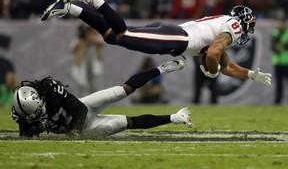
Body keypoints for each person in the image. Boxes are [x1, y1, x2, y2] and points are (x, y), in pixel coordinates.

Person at [40, 0, 272, 86]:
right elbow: (213, 54)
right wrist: (211, 72)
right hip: (178, 38)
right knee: (123, 34)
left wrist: (251, 74)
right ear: (243, 22)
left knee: (112, 36)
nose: (246, 31)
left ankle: (69, 7)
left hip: (173, 34)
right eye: (248, 26)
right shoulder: (234, 27)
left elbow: (226, 65)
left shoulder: (225, 24)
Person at [12, 60, 192, 137]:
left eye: (38, 111)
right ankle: (175, 117)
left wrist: (73, 134)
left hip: (82, 111)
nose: (38, 115)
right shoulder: (22, 114)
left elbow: (79, 109)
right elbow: (26, 135)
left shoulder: (51, 91)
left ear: (39, 99)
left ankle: (161, 69)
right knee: (129, 123)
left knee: (123, 90)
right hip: (88, 129)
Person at [70, 24, 104, 97]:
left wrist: (91, 39)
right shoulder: (79, 39)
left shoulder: (96, 38)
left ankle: (96, 100)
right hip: (81, 64)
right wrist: (82, 40)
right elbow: (72, 48)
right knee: (79, 83)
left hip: (93, 65)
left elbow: (101, 43)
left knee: (95, 85)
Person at [271, 19, 288, 104]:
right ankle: (278, 102)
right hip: (278, 62)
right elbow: (273, 48)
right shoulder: (275, 33)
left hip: (286, 62)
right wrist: (281, 46)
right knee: (279, 84)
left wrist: (279, 46)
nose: (281, 25)